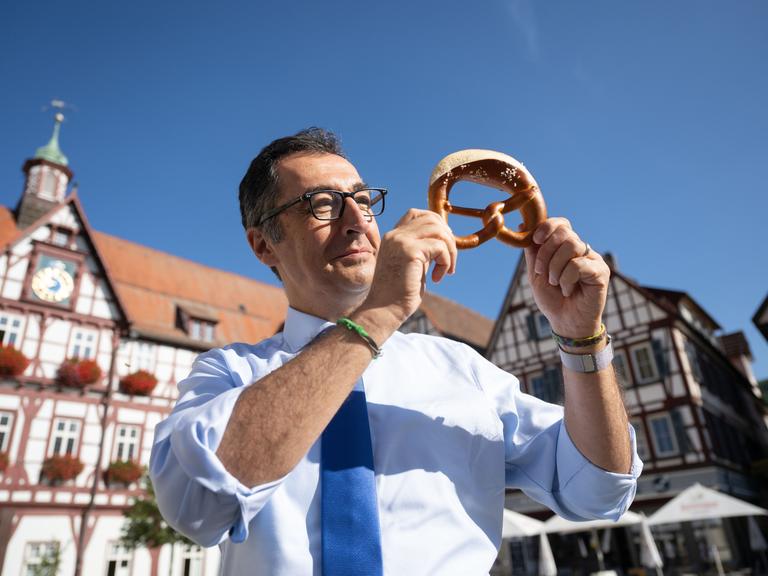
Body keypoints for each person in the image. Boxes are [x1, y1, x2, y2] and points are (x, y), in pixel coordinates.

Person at [149, 128, 642, 575]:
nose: (355, 220)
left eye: (363, 201)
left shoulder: (462, 369)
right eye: (322, 204)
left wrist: (581, 338)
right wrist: (379, 314)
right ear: (263, 245)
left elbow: (600, 492)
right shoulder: (231, 372)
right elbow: (197, 502)